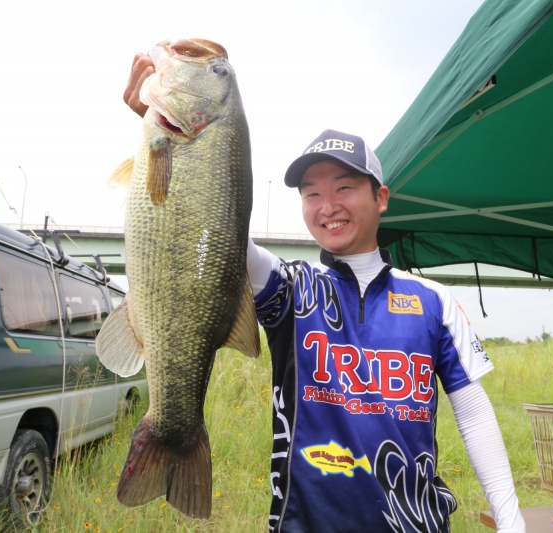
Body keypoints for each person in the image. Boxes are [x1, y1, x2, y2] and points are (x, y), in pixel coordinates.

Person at [123, 53, 526, 533]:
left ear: (380, 197)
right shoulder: (289, 288)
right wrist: (175, 150)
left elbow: (475, 416)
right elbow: (211, 227)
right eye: (311, 193)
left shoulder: (433, 302)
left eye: (344, 187)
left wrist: (511, 520)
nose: (327, 206)